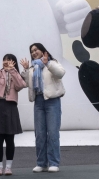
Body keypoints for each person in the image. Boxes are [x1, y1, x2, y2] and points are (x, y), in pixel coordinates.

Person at [20, 43, 65, 173]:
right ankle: (41, 163)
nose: (34, 52)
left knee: (52, 133)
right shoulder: (33, 68)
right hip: (39, 101)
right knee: (39, 134)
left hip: (52, 101)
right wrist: (26, 70)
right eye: (32, 51)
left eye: (36, 50)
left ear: (42, 50)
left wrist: (47, 63)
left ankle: (54, 162)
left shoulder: (52, 63)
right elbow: (28, 84)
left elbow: (61, 73)